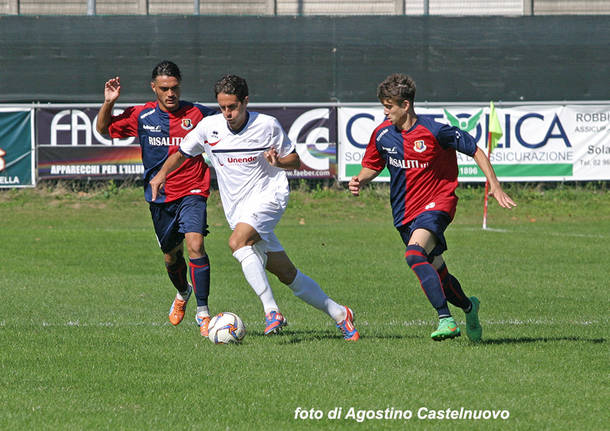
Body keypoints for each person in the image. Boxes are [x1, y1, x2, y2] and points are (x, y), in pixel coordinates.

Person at [150, 74, 359, 341]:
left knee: (237, 242)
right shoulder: (209, 127)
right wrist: (160, 176)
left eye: (233, 106)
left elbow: (294, 160)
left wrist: (278, 163)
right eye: (223, 107)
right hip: (239, 211)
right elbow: (182, 153)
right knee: (287, 274)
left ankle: (272, 311)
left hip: (270, 197)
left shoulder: (267, 126)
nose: (228, 113)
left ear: (246, 102)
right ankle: (341, 314)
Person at [349, 73, 516, 342]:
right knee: (439, 273)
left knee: (414, 255)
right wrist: (360, 179)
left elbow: (475, 149)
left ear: (405, 105)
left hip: (438, 203)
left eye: (389, 106)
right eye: (383, 105)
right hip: (404, 212)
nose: (385, 111)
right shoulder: (381, 134)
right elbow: (372, 165)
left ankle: (445, 319)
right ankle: (469, 307)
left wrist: (494, 185)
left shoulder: (435, 131)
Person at [96, 61, 217, 336]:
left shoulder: (198, 114)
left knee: (195, 244)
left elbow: (229, 122)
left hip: (193, 190)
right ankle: (182, 292)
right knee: (171, 257)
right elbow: (104, 129)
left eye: (174, 88)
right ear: (154, 88)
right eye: (164, 88)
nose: (170, 93)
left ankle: (204, 313)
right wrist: (109, 103)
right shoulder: (142, 115)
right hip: (160, 197)